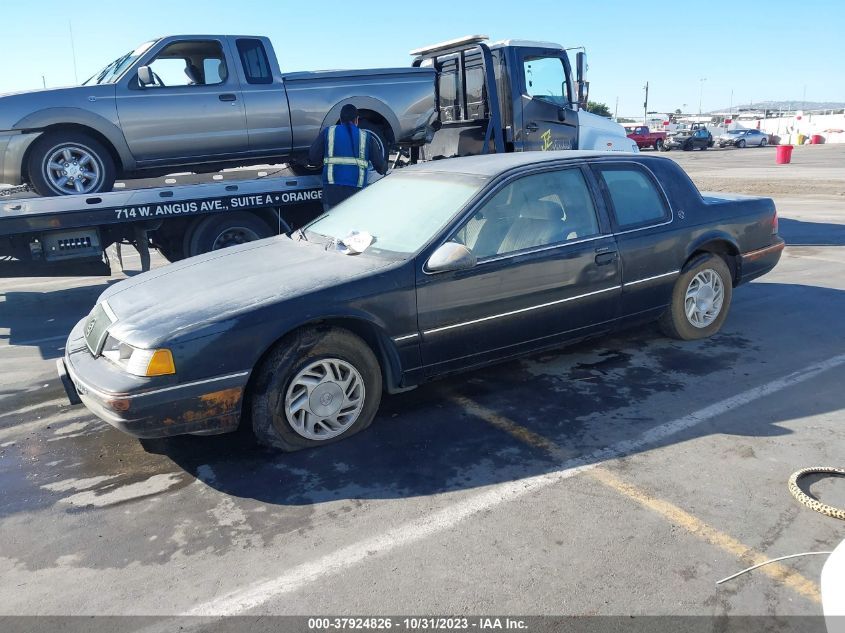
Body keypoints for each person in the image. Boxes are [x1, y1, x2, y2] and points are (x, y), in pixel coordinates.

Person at [308, 104, 388, 212]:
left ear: (340, 119)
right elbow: (381, 168)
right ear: (357, 120)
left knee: (332, 228)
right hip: (356, 197)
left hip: (331, 195)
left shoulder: (329, 132)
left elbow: (313, 158)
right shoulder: (366, 137)